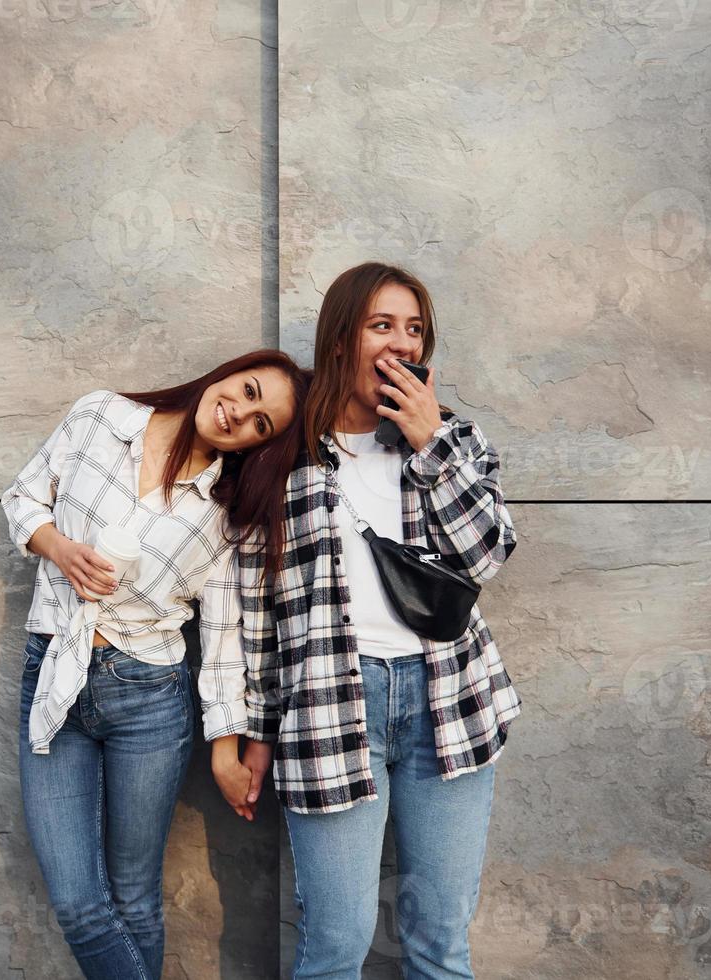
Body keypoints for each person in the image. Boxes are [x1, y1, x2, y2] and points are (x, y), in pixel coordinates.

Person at [214, 262, 522, 979]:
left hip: (449, 701)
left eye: (413, 329)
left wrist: (429, 444)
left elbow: (488, 554)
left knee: (439, 944)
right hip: (328, 708)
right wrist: (253, 731)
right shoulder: (282, 458)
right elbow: (255, 613)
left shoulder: (455, 440)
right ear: (340, 337)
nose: (401, 343)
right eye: (381, 325)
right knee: (335, 945)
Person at [1, 349, 310, 980]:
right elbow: (23, 497)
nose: (240, 414)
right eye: (247, 391)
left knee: (134, 898)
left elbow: (224, 640)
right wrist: (58, 548)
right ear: (228, 372)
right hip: (54, 671)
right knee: (80, 905)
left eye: (261, 424)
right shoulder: (101, 415)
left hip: (148, 696)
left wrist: (226, 746)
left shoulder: (227, 516)